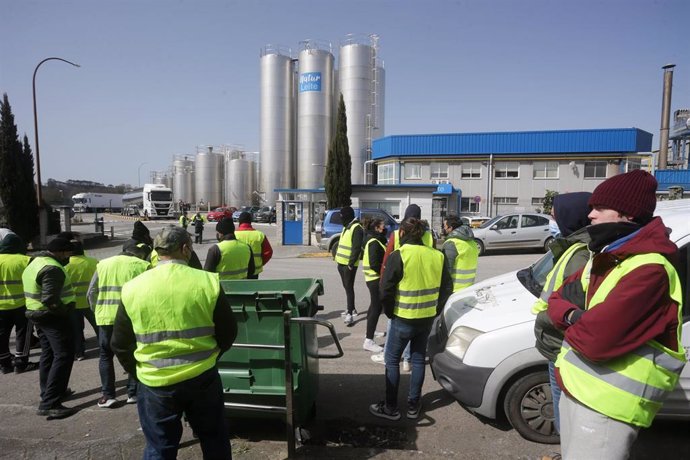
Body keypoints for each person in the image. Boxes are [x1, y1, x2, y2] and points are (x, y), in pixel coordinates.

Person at [547, 170, 685, 459]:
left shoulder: (650, 269)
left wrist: (571, 317)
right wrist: (578, 316)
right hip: (578, 388)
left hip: (608, 405)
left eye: (599, 208)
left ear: (627, 214)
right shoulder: (608, 255)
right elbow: (556, 300)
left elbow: (597, 340)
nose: (591, 216)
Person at [111, 226, 237, 459]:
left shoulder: (132, 288)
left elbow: (119, 343)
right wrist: (211, 356)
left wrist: (138, 372)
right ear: (186, 248)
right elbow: (228, 332)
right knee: (214, 440)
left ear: (158, 252)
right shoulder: (207, 282)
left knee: (160, 447)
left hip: (155, 381)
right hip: (202, 377)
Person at [370, 218, 453, 421]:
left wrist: (390, 313)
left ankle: (391, 408)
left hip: (402, 318)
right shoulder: (437, 255)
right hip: (425, 320)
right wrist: (434, 310)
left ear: (401, 234)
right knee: (417, 361)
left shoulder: (399, 255)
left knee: (391, 361)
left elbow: (385, 290)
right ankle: (413, 406)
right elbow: (447, 289)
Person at [530, 192, 591, 436]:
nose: (551, 220)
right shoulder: (572, 248)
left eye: (554, 216)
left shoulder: (580, 255)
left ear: (570, 218)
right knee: (562, 414)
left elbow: (568, 308)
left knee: (563, 417)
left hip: (559, 346)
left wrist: (544, 323)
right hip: (555, 343)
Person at [88, 240, 151, 408]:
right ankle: (133, 393)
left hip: (106, 318)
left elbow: (91, 292)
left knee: (105, 356)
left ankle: (108, 396)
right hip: (131, 318)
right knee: (134, 353)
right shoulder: (143, 265)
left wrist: (98, 310)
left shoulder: (103, 264)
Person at [22, 236, 77, 419]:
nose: (69, 256)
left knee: (49, 354)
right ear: (60, 252)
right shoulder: (52, 268)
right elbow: (50, 300)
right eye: (68, 252)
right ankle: (50, 403)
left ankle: (50, 392)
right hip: (51, 317)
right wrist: (64, 312)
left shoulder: (37, 261)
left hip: (37, 314)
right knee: (63, 355)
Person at [0, 231, 37, 373]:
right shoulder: (25, 260)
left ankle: (4, 364)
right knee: (23, 333)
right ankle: (21, 362)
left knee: (2, 334)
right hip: (22, 304)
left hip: (1, 306)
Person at [63, 235, 99, 361]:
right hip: (91, 301)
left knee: (76, 330)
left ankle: (79, 353)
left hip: (73, 303)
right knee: (98, 326)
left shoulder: (66, 266)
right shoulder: (93, 262)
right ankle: (105, 347)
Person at [334, 206, 364, 326]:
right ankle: (352, 308)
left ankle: (350, 314)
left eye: (342, 216)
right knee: (347, 287)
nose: (341, 218)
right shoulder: (347, 226)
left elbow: (356, 248)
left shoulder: (356, 228)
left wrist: (351, 264)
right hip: (341, 263)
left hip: (348, 265)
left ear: (347, 216)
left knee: (349, 287)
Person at [361, 218, 387, 353]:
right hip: (375, 279)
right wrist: (384, 274)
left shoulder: (375, 239)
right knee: (377, 307)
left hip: (373, 279)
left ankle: (370, 332)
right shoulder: (374, 242)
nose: (385, 227)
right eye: (383, 226)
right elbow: (374, 263)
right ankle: (369, 340)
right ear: (377, 228)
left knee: (374, 307)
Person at [441, 215, 479, 292]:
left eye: (444, 226)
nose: (443, 229)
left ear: (450, 228)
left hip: (454, 290)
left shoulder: (451, 244)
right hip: (469, 287)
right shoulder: (472, 243)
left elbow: (446, 272)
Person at [235, 211, 273, 279]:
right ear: (250, 221)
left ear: (239, 221)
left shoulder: (234, 234)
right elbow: (268, 252)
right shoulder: (259, 235)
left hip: (237, 270)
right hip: (255, 270)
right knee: (252, 288)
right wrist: (260, 263)